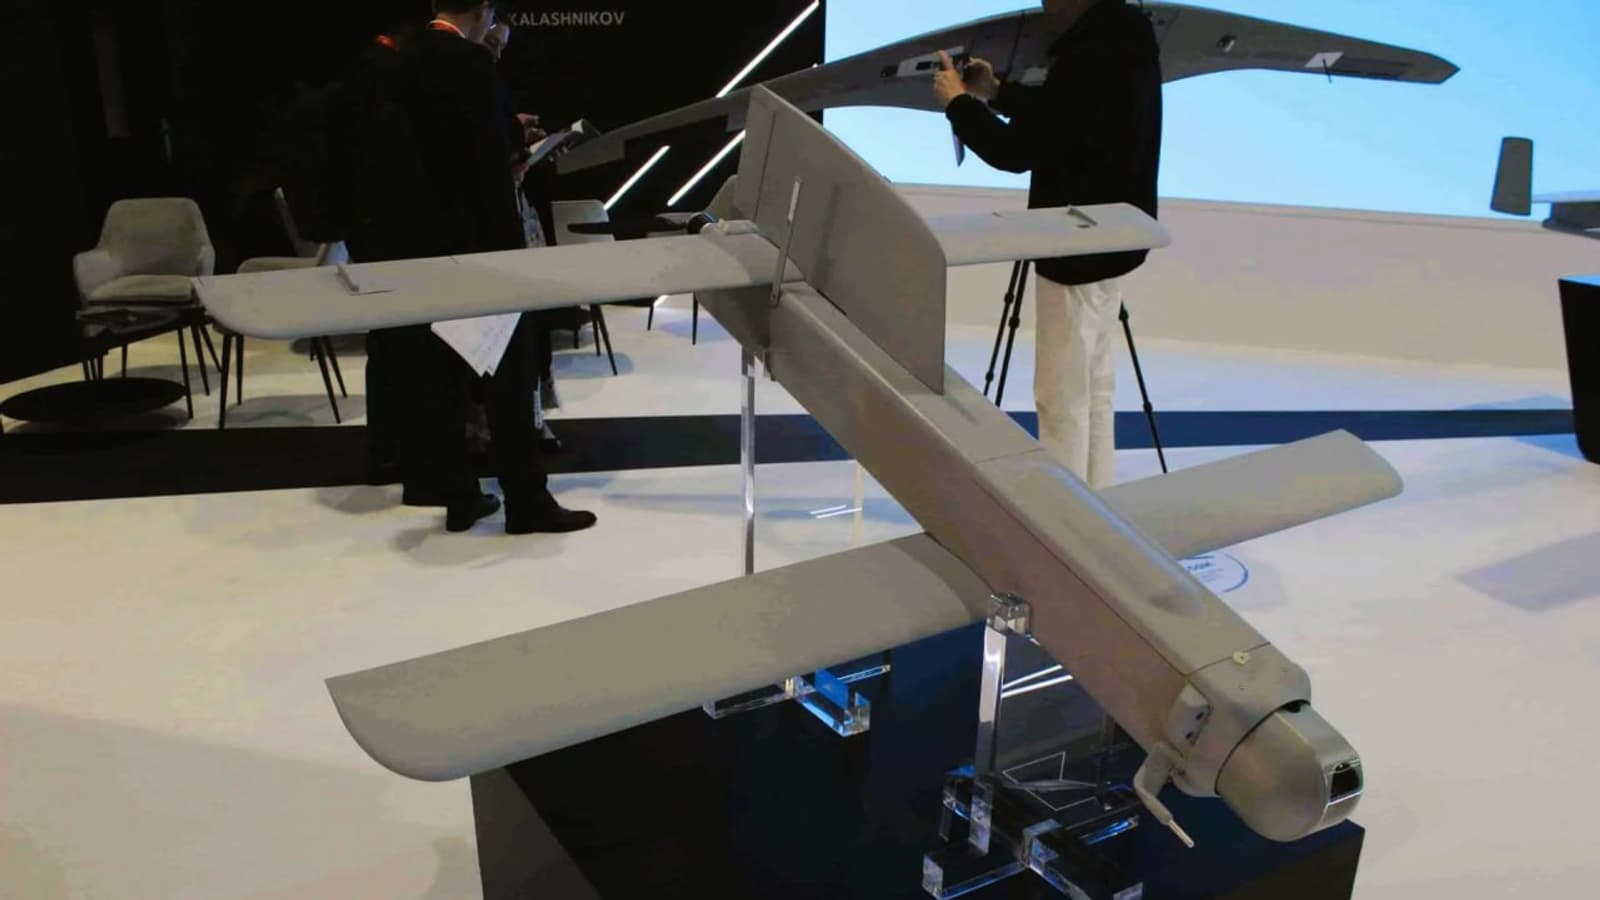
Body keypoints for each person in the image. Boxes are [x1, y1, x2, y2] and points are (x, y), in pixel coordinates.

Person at [364, 0, 595, 534]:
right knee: (508, 379)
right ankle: (527, 501)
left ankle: (460, 497)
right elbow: (484, 163)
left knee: (440, 380)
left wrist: (505, 130)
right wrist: (515, 153)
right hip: (478, 249)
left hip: (418, 246)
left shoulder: (400, 58)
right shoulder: (468, 63)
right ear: (484, 11)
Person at [935, 0, 1162, 490]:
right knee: (1095, 391)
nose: (1044, 5)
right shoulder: (1127, 37)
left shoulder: (1086, 55)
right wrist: (998, 92)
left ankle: (1067, 520)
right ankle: (1098, 507)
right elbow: (1068, 119)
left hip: (1073, 248)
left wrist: (958, 104)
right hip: (1115, 239)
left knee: (1062, 400)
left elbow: (1017, 151)